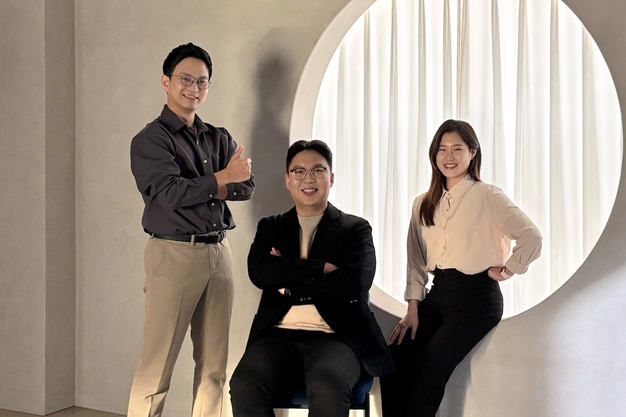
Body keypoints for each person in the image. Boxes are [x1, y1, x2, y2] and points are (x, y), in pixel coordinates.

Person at [380, 119, 542, 417]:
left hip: (477, 301)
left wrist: (508, 269)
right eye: (442, 149)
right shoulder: (422, 203)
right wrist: (413, 308)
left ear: (473, 153)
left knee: (428, 371)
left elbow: (531, 236)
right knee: (393, 358)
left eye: (457, 149)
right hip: (437, 296)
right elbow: (415, 260)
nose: (449, 156)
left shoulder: (488, 195)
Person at [128, 43, 254, 417]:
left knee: (215, 369)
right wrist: (222, 178)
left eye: (202, 81)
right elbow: (168, 194)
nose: (194, 88)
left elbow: (247, 186)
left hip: (219, 252)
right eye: (185, 79)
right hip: (173, 253)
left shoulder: (218, 137)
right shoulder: (151, 140)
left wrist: (212, 183)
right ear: (166, 82)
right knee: (156, 369)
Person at [229, 140, 394, 417]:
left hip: (338, 337)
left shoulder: (355, 229)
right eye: (299, 171)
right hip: (278, 336)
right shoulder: (272, 226)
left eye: (318, 170)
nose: (309, 179)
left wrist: (290, 287)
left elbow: (354, 284)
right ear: (287, 180)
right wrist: (321, 268)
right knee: (244, 383)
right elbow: (259, 271)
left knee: (326, 385)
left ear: (331, 178)